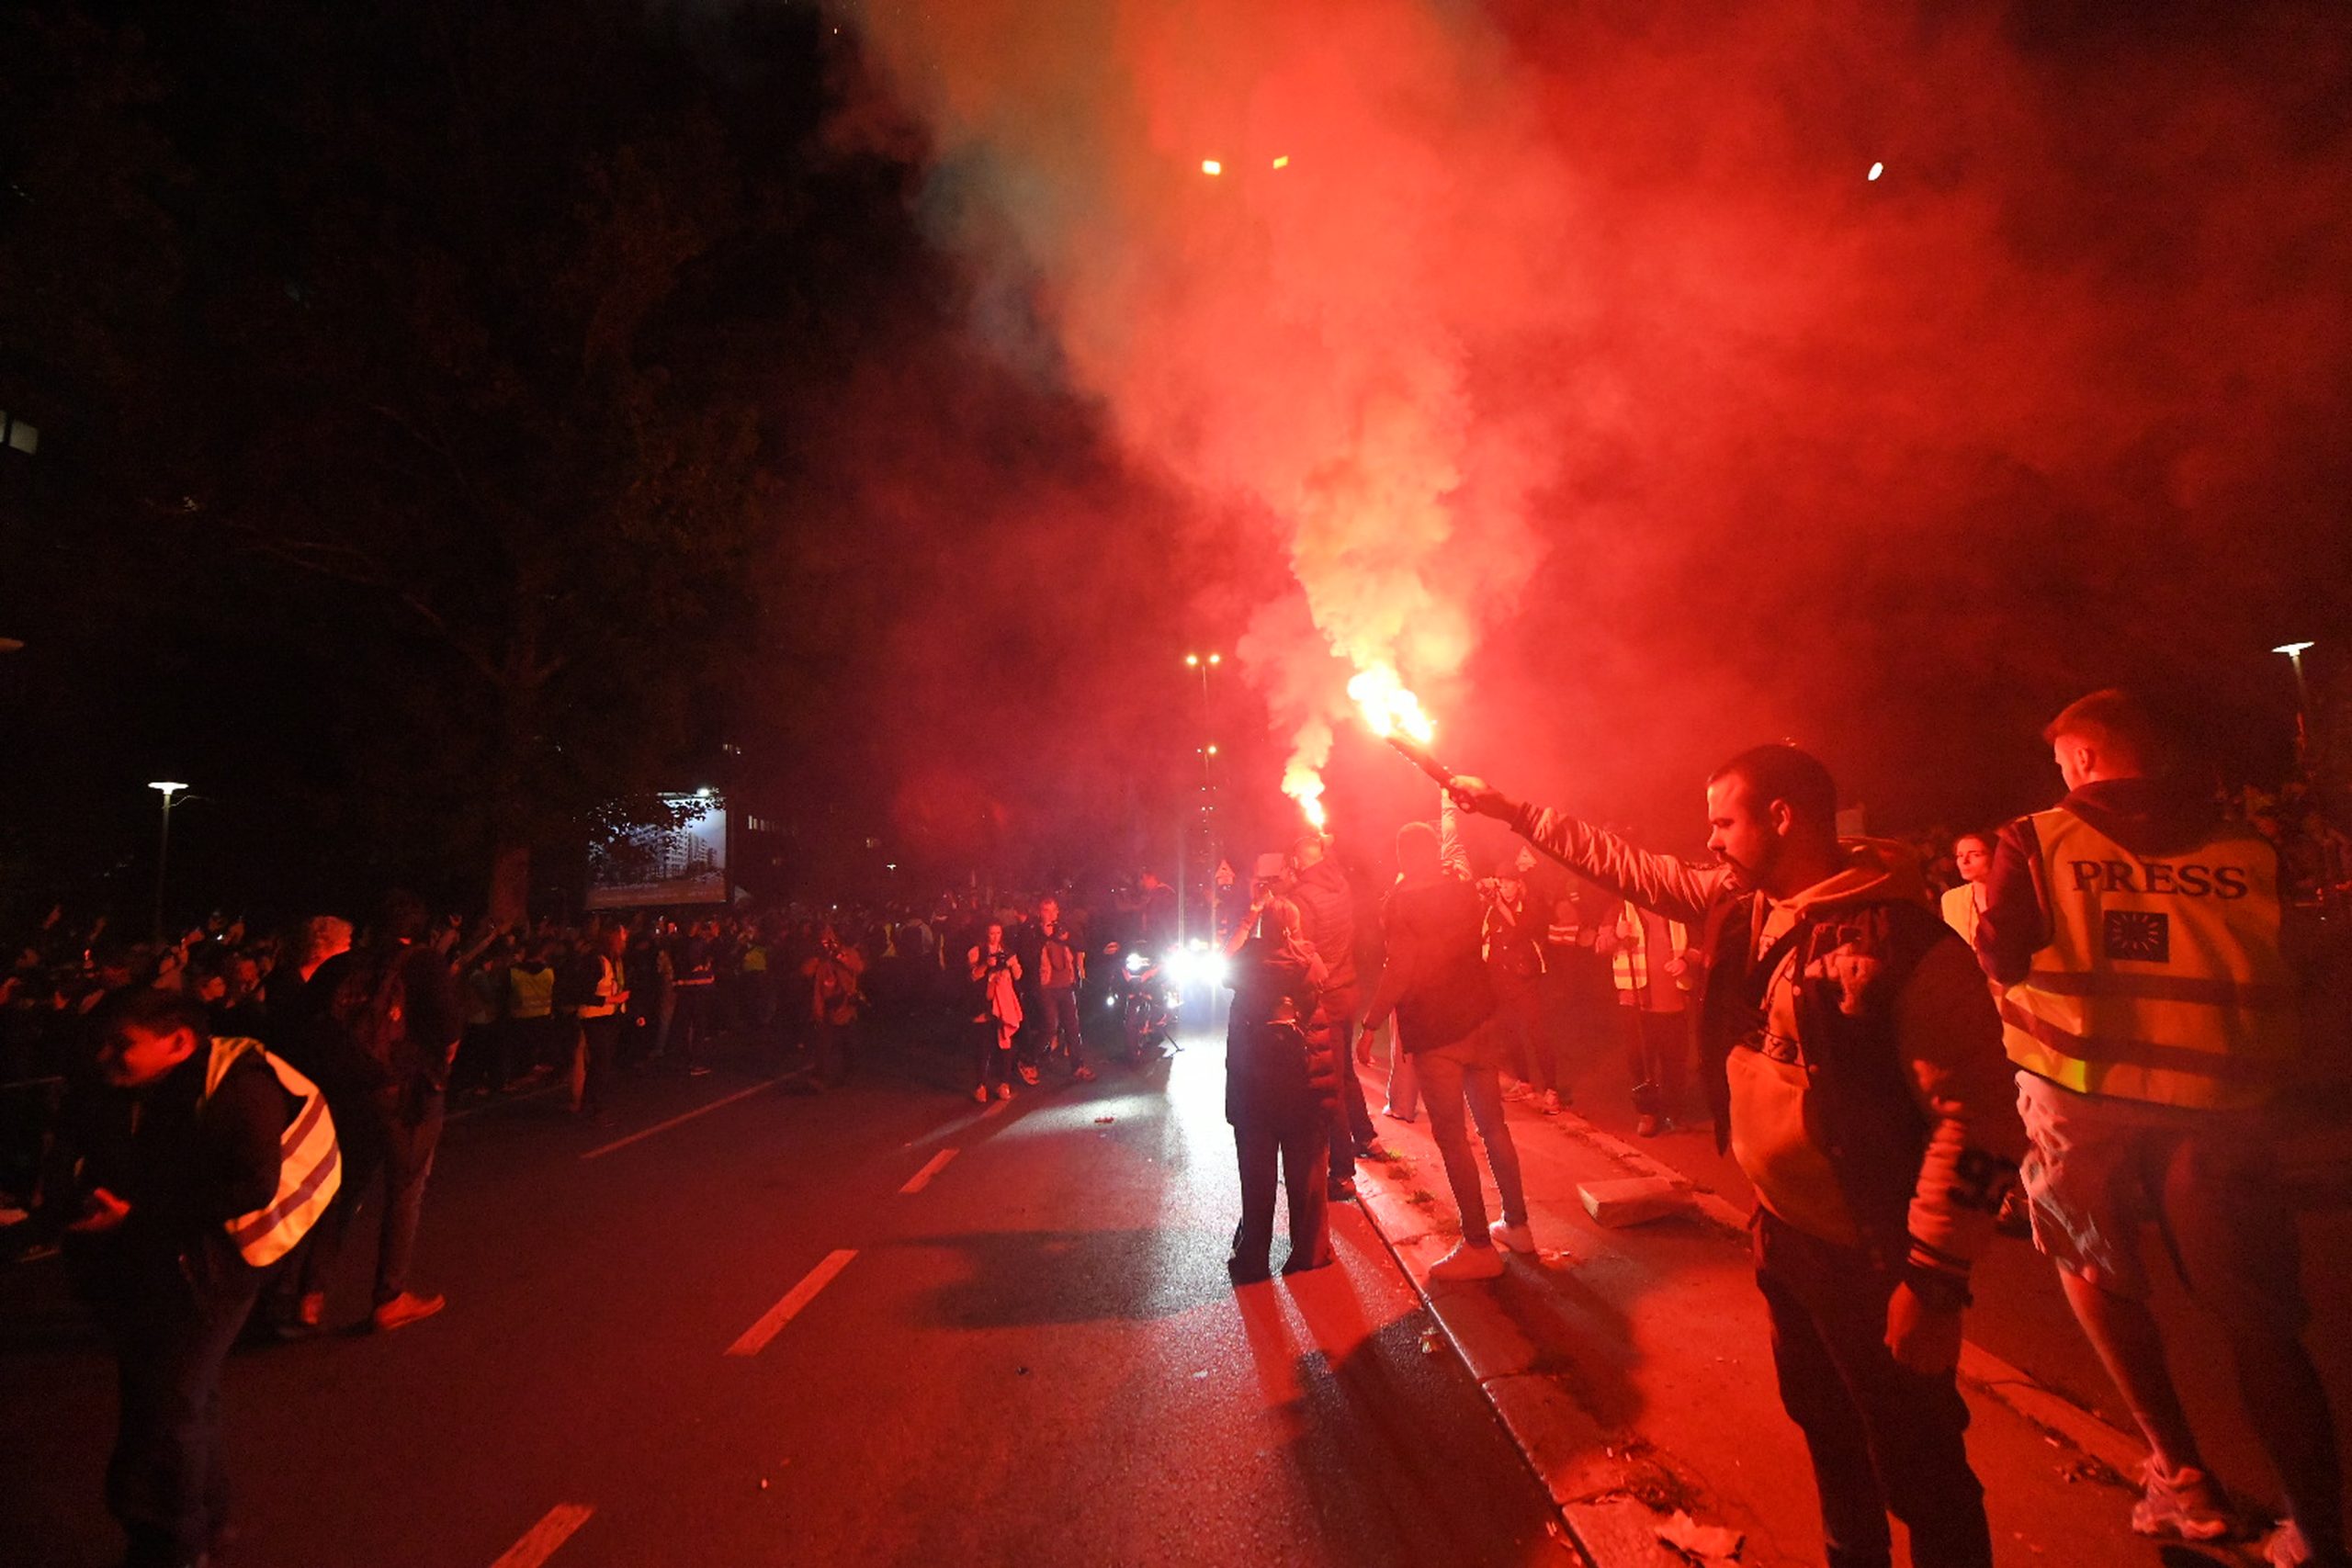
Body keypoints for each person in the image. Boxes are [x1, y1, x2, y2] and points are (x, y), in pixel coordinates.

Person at [1453, 743, 2027, 1568]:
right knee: (1828, 1430)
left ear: (1782, 818)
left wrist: (1934, 1283)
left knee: (1923, 1467)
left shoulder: (1908, 945)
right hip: (1785, 1236)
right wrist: (1512, 811)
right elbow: (1628, 866)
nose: (1711, 840)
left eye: (1725, 821)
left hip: (1875, 1260)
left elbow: (1981, 1121)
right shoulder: (1744, 903)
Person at [1977, 690, 2342, 1567]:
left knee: (2090, 1265)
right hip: (2221, 1107)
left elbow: (1999, 953)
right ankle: (2323, 1532)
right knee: (2260, 1322)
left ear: (2086, 756)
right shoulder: (2247, 846)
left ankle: (2183, 1478)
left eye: (2063, 761)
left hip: (2082, 1095)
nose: (2061, 776)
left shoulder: (2036, 838)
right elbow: (2299, 961)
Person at [62, 989, 284, 1568]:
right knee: (187, 1400)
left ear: (178, 1042)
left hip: (216, 1269)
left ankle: (174, 1546)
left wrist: (136, 1216)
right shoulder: (143, 1087)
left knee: (167, 1410)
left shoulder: (241, 1090)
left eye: (122, 1044)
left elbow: (253, 1188)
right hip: (164, 1259)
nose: (105, 1057)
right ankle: (209, 1522)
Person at [1360, 799, 1532, 1282]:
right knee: (1494, 1127)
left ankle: (1478, 1245)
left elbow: (1401, 967)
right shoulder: (1464, 892)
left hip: (1437, 1030)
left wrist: (1371, 1023)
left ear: (1402, 857)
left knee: (1452, 1137)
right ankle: (1518, 1226)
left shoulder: (1402, 903)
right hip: (1479, 1019)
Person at [326, 891, 458, 1331]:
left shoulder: (350, 963)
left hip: (352, 1087)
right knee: (405, 1190)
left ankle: (307, 1291)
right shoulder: (424, 963)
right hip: (406, 1092)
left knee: (344, 1188)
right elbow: (449, 1028)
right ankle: (390, 1297)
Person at [1222, 852, 1338, 1283]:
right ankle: (1308, 1252)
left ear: (1263, 929)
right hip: (1304, 1084)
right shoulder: (1311, 964)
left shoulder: (1245, 966)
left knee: (1257, 1175)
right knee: (1307, 1173)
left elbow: (1224, 958)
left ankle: (1254, 1256)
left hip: (1254, 1088)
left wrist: (1249, 915)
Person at [1289, 831, 1376, 1197]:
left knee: (1331, 1084)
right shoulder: (1340, 885)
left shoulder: (1302, 897)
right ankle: (1366, 1136)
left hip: (1326, 995)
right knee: (1345, 1072)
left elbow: (1303, 950)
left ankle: (1342, 1171)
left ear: (1299, 862)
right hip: (1350, 988)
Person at [1598, 893, 1701, 1135]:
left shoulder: (1679, 908)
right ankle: (1647, 1113)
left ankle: (1673, 1114)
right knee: (1640, 1061)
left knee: (1675, 1062)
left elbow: (1700, 945)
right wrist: (1616, 936)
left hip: (1674, 1000)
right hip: (1636, 1002)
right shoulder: (1619, 909)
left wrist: (1686, 962)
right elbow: (1600, 946)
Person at [1483, 870, 1560, 1114]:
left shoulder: (1531, 906)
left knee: (1537, 1033)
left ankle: (1552, 1089)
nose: (1504, 889)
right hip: (1501, 981)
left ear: (1519, 884)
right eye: (1501, 884)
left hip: (1526, 981)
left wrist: (1498, 904)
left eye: (1508, 884)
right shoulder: (1493, 911)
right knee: (1510, 1033)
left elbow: (1521, 929)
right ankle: (1524, 1082)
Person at [570, 926, 630, 1121]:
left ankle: (590, 1103)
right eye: (623, 936)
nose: (626, 940)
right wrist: (613, 999)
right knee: (600, 1062)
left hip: (611, 1016)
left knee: (603, 1062)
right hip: (595, 1017)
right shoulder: (595, 961)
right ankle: (594, 1106)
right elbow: (583, 993)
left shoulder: (615, 960)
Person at [1032, 898, 1093, 1083]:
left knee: (1073, 1027)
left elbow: (1081, 944)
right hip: (1046, 987)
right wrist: (1044, 936)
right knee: (1050, 1026)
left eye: (1053, 911)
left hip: (1066, 985)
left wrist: (1067, 938)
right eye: (1046, 910)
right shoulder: (1033, 931)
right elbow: (1027, 955)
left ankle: (1078, 1066)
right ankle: (1028, 1059)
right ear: (1039, 912)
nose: (1050, 915)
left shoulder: (1064, 927)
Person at [801, 924, 866, 1088]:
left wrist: (839, 955)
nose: (827, 942)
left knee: (849, 1045)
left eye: (830, 938)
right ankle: (820, 1078)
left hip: (846, 1007)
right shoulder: (819, 959)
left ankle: (849, 1073)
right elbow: (806, 973)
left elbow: (858, 967)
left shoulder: (848, 953)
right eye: (823, 939)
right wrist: (818, 958)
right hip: (827, 1008)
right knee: (823, 1046)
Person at [968, 922, 1023, 1102]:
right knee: (983, 1045)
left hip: (1004, 1003)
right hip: (985, 1002)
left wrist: (1012, 964)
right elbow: (973, 976)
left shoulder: (1007, 951)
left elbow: (1018, 975)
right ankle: (980, 1085)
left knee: (1005, 1043)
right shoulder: (977, 951)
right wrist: (986, 964)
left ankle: (1004, 1084)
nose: (995, 937)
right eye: (992, 933)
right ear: (986, 934)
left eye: (998, 933)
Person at [1939, 831, 1993, 949]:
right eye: (1960, 855)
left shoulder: (2013, 895)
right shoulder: (1952, 900)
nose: (1964, 861)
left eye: (1975, 855)